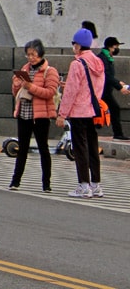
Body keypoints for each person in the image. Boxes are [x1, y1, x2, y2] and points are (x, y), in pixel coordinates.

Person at [57, 28, 105, 198]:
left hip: (78, 112)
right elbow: (95, 88)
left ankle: (84, 186)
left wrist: (62, 114)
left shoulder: (77, 64)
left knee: (80, 148)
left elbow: (71, 92)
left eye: (74, 44)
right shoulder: (99, 63)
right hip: (93, 111)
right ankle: (96, 185)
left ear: (77, 45)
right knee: (92, 147)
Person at [9, 39, 59, 191]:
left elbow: (50, 92)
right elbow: (16, 93)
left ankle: (46, 183)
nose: (31, 58)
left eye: (34, 54)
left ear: (41, 54)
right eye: (28, 55)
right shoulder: (25, 68)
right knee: (22, 148)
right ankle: (15, 181)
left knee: (43, 148)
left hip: (41, 116)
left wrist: (31, 87)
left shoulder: (50, 71)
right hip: (24, 113)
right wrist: (17, 84)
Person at [98, 36, 130, 140]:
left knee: (111, 109)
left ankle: (118, 134)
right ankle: (118, 134)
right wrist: (119, 87)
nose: (117, 48)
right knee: (114, 109)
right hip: (102, 91)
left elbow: (109, 76)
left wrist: (118, 82)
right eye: (116, 46)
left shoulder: (107, 57)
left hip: (106, 91)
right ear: (110, 47)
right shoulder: (103, 58)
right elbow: (106, 76)